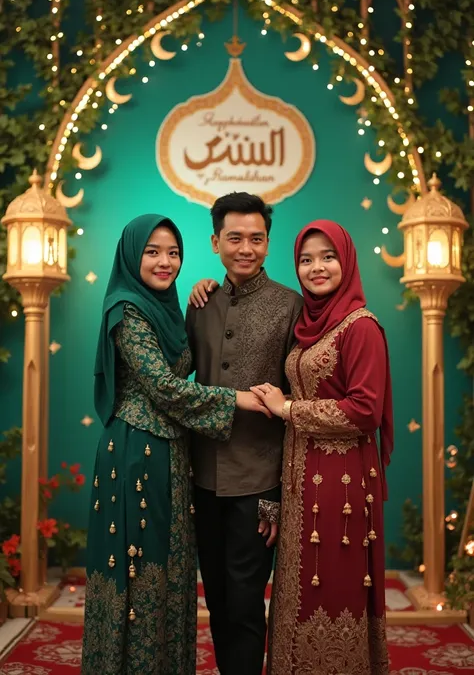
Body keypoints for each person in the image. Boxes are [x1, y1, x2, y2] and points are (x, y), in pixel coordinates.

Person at [81, 214, 268, 675]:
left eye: (173, 252)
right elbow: (165, 387)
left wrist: (203, 294)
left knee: (170, 578)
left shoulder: (164, 307)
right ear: (131, 255)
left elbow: (182, 364)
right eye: (152, 251)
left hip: (169, 455)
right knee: (138, 578)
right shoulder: (126, 310)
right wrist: (238, 399)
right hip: (136, 457)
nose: (165, 262)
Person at [251, 220, 393, 675]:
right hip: (298, 482)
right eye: (306, 259)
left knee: (333, 582)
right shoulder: (307, 323)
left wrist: (288, 409)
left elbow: (365, 410)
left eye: (328, 257)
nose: (316, 268)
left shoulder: (361, 326)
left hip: (341, 485)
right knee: (296, 587)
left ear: (346, 261)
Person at [186, 192, 303, 675]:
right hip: (202, 475)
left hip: (259, 480)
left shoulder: (289, 305)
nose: (246, 248)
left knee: (247, 600)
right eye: (235, 238)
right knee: (215, 595)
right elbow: (182, 376)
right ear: (216, 242)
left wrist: (279, 493)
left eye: (257, 238)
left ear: (268, 244)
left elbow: (297, 395)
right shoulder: (200, 301)